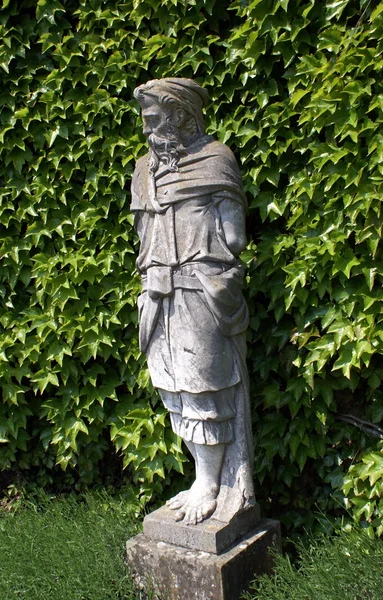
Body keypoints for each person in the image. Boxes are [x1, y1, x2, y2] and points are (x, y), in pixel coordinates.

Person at [130, 78, 255, 526]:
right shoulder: (142, 171)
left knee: (204, 385)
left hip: (200, 294)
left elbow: (235, 239)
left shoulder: (216, 160)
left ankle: (212, 485)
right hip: (159, 294)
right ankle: (204, 478)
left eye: (153, 119)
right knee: (173, 386)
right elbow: (145, 240)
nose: (147, 130)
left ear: (181, 114)